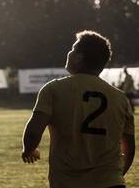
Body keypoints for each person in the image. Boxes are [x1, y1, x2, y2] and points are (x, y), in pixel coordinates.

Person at [22, 31, 135, 188]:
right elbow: (129, 147)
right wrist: (115, 175)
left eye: (73, 49)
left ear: (79, 57)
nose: (69, 53)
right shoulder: (121, 98)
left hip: (68, 182)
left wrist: (29, 150)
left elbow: (34, 131)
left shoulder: (54, 89)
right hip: (111, 181)